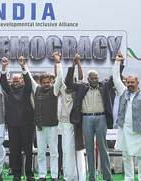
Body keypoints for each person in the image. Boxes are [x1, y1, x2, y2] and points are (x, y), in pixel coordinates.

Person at [65, 56, 114, 181]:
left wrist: (119, 63)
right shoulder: (82, 87)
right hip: (86, 119)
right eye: (92, 78)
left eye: (96, 78)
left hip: (101, 118)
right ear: (88, 79)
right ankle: (92, 177)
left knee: (103, 148)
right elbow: (68, 83)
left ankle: (107, 176)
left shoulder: (104, 86)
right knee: (89, 149)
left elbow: (115, 78)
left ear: (99, 78)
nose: (94, 80)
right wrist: (73, 66)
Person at [113, 52, 141, 181]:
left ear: (138, 83)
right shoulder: (123, 92)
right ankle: (129, 178)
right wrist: (117, 62)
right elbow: (116, 78)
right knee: (126, 155)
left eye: (132, 82)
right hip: (125, 129)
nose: (130, 84)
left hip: (140, 130)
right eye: (128, 82)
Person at [27, 52, 62, 181]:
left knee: (54, 153)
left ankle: (54, 176)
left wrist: (58, 63)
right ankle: (42, 175)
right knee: (41, 152)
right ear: (40, 83)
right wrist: (24, 67)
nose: (47, 84)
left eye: (48, 82)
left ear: (51, 82)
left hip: (52, 126)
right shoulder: (36, 90)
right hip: (40, 126)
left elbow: (60, 78)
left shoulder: (54, 89)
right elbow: (29, 79)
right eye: (44, 82)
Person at [0, 56, 35, 181]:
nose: (15, 83)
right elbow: (3, 82)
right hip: (13, 125)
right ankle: (17, 174)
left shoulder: (26, 89)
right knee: (14, 151)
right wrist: (4, 67)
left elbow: (29, 80)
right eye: (13, 81)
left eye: (17, 81)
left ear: (21, 81)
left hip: (27, 124)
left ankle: (29, 174)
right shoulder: (9, 90)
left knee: (28, 151)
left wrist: (23, 67)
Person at [57, 53, 86, 181]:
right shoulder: (63, 88)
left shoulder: (78, 89)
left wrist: (77, 63)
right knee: (66, 150)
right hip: (65, 122)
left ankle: (80, 177)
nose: (72, 81)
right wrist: (58, 62)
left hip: (77, 122)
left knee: (78, 150)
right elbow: (60, 76)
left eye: (73, 79)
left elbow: (81, 76)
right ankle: (69, 177)